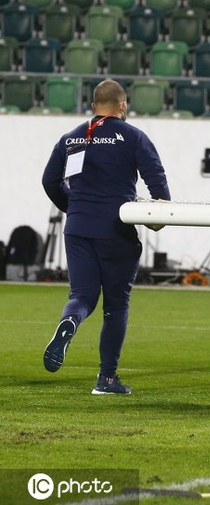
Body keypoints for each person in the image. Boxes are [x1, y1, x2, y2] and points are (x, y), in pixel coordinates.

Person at [41, 79, 170, 395]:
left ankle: (71, 321)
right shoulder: (133, 137)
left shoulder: (71, 138)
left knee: (82, 296)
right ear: (123, 105)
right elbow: (157, 181)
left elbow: (49, 181)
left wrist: (74, 208)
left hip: (78, 229)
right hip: (116, 230)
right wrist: (160, 214)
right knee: (115, 306)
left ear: (93, 106)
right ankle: (106, 379)